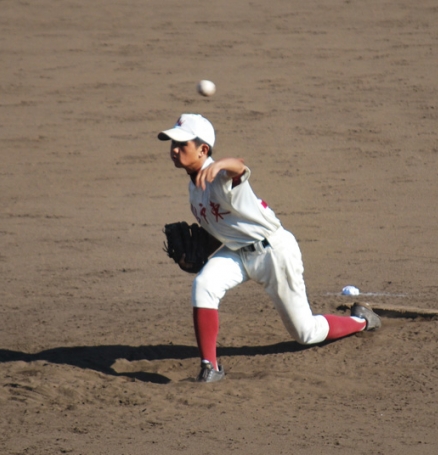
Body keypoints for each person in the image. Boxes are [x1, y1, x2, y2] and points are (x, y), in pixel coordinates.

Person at [157, 113, 381, 383]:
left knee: (305, 333)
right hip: (237, 252)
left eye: (182, 144)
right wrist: (202, 252)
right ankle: (210, 367)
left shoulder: (219, 177)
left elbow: (239, 168)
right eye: (173, 144)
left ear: (203, 150)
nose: (174, 149)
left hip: (274, 253)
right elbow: (223, 227)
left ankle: (362, 320)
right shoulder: (194, 186)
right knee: (204, 284)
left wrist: (220, 165)